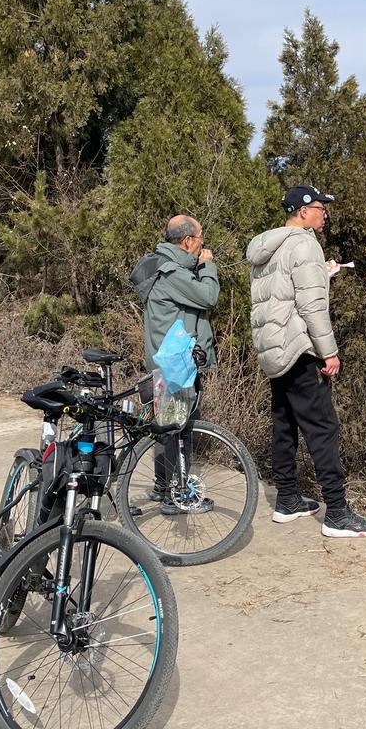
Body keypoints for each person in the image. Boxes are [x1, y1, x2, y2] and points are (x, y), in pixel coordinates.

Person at [246, 185, 366, 538]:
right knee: (323, 427)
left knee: (285, 424)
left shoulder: (268, 246)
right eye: (321, 208)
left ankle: (287, 499)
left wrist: (322, 273)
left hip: (273, 349)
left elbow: (281, 293)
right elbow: (310, 307)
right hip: (299, 349)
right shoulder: (305, 244)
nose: (325, 214)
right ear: (304, 211)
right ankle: (337, 513)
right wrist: (329, 352)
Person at [131, 214, 219, 514]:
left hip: (169, 361)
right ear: (188, 241)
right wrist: (208, 265)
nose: (203, 245)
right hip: (177, 365)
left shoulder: (163, 267)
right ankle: (176, 496)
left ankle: (163, 488)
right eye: (201, 239)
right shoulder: (171, 273)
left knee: (168, 428)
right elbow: (208, 297)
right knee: (176, 428)